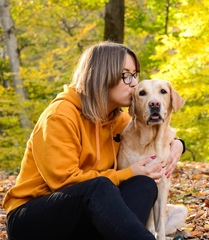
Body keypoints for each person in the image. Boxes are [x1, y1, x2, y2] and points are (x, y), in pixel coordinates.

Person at [2, 41, 185, 240]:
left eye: (134, 75)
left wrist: (179, 144)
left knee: (144, 184)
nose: (133, 83)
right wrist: (128, 172)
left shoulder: (116, 119)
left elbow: (154, 129)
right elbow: (63, 183)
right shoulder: (59, 116)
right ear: (102, 76)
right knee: (101, 186)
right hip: (32, 218)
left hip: (81, 218)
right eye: (126, 75)